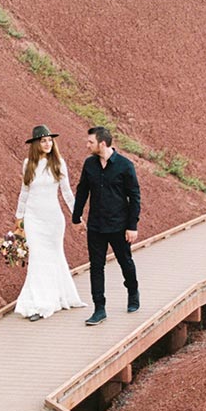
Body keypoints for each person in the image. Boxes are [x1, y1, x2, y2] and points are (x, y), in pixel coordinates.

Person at [13, 125, 88, 321]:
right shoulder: (28, 163)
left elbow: (67, 192)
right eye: (43, 140)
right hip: (33, 218)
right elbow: (25, 192)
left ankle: (53, 298)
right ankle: (38, 303)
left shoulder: (58, 163)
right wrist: (19, 217)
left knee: (53, 257)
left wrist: (77, 216)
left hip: (53, 219)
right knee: (37, 258)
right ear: (36, 143)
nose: (47, 143)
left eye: (49, 140)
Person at [71, 125, 141, 325]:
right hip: (96, 226)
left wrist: (132, 226)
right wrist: (76, 218)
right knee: (96, 267)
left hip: (119, 225)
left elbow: (134, 197)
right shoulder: (89, 164)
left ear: (102, 143)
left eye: (90, 142)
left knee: (125, 261)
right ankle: (99, 308)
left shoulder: (125, 166)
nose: (87, 145)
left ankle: (133, 291)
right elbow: (82, 191)